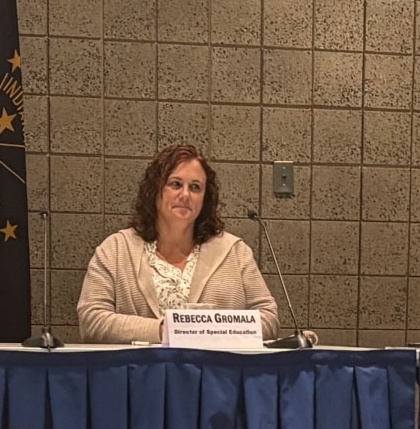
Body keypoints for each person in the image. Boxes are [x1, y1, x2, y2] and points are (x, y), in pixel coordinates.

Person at [76, 143, 278, 344]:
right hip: (139, 373)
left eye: (195, 187)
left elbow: (269, 319)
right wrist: (165, 330)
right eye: (175, 184)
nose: (185, 195)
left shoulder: (235, 252)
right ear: (154, 190)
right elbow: (91, 320)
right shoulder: (116, 250)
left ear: (204, 198)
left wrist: (210, 329)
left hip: (217, 374)